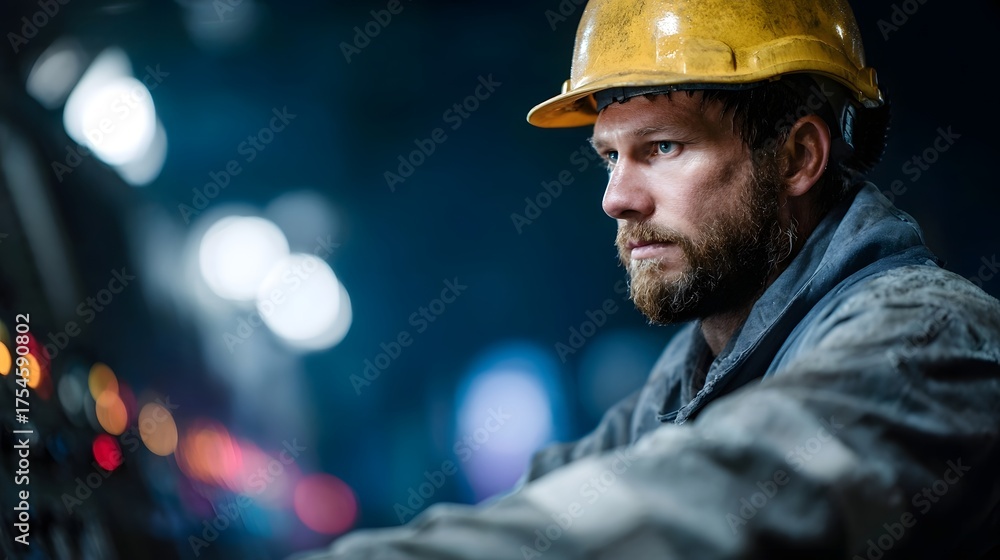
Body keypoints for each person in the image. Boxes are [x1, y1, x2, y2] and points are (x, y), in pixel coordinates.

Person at [293, 0, 1000, 557]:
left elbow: (706, 500)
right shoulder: (690, 379)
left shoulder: (931, 342)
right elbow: (548, 509)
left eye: (663, 146)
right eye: (610, 157)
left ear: (797, 157)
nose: (616, 198)